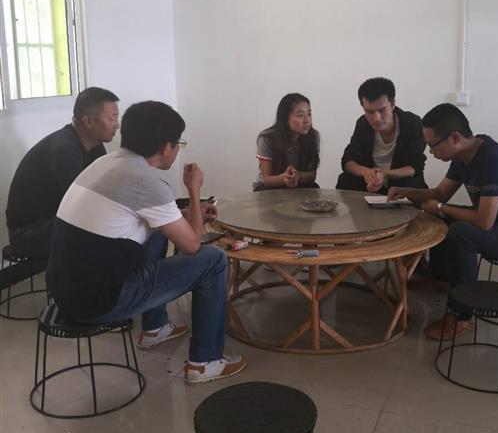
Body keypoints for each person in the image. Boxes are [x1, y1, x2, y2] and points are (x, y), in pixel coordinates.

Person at [46, 101, 246, 385]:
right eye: (178, 144)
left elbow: (147, 217)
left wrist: (189, 213)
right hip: (97, 303)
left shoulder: (106, 164)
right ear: (165, 148)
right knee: (213, 260)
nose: (178, 150)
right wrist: (194, 190)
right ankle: (205, 362)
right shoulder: (147, 181)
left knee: (159, 232)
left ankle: (155, 328)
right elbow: (192, 245)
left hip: (63, 291)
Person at [388, 103, 498, 340]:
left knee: (461, 231)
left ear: (454, 137)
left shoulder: (494, 160)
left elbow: (483, 221)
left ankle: (462, 316)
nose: (430, 152)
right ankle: (441, 279)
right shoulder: (463, 155)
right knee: (439, 217)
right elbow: (440, 194)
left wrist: (441, 208)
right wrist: (406, 191)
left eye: (432, 145)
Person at [5, 87, 120, 257]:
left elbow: (106, 187)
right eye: (112, 118)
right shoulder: (64, 150)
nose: (117, 124)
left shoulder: (94, 144)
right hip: (29, 232)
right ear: (89, 121)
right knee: (107, 229)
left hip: (55, 220)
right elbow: (86, 202)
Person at [336, 77, 427, 194]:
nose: (376, 118)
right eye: (370, 112)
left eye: (382, 110)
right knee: (345, 180)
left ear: (393, 104)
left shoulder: (412, 123)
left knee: (411, 184)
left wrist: (385, 174)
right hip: (370, 181)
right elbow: (348, 161)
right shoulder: (363, 123)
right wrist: (366, 173)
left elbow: (415, 167)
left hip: (399, 180)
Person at [253, 93, 320, 190]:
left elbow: (312, 175)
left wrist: (298, 176)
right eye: (300, 115)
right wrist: (284, 178)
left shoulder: (313, 136)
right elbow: (267, 179)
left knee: (314, 189)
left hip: (299, 185)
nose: (307, 120)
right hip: (269, 187)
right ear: (285, 119)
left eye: (309, 114)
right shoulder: (267, 138)